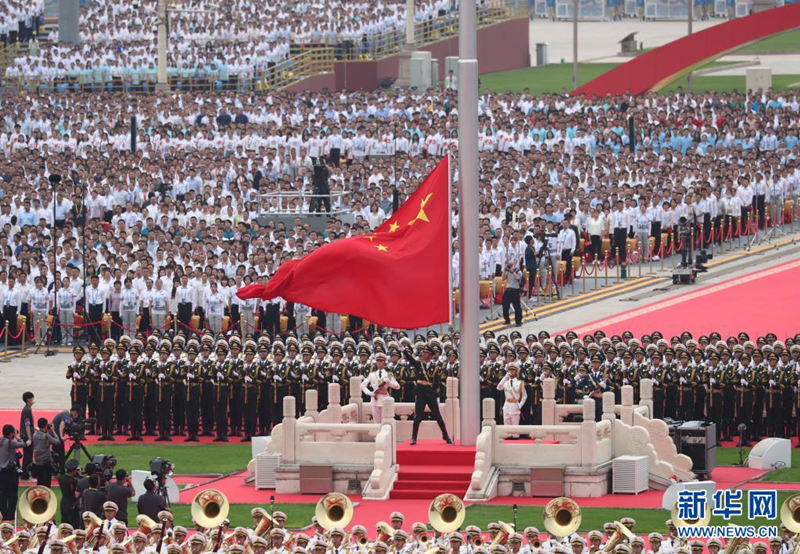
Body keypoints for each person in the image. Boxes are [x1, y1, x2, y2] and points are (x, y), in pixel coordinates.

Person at [403, 344, 453, 446]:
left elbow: (437, 382)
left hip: (430, 393)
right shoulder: (419, 364)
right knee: (418, 417)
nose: (423, 355)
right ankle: (414, 437)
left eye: (426, 353)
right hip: (421, 392)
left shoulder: (435, 367)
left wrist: (436, 394)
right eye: (423, 353)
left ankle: (445, 435)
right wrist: (403, 350)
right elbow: (410, 359)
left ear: (430, 355)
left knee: (438, 416)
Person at [360, 352, 400, 423]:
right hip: (375, 398)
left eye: (381, 361)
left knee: (385, 420)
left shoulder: (389, 374)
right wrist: (369, 393)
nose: (379, 362)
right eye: (378, 361)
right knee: (376, 421)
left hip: (385, 399)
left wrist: (389, 383)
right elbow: (362, 385)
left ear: (384, 362)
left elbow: (397, 386)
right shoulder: (372, 374)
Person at [0, 424, 27, 521]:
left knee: (3, 494)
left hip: (1, 472)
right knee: (12, 494)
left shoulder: (1, 440)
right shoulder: (11, 442)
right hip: (11, 472)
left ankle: (3, 514)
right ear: (11, 433)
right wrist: (17, 437)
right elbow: (24, 444)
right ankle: (10, 516)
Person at [497, 363, 527, 434]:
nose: (511, 371)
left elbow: (524, 396)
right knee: (506, 426)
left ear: (516, 371)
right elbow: (499, 387)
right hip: (507, 404)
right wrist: (505, 377)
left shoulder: (520, 383)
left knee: (515, 428)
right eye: (510, 370)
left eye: (513, 370)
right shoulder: (505, 382)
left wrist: (520, 405)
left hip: (515, 404)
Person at [31, 417, 59, 487]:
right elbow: (57, 442)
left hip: (37, 462)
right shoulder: (46, 436)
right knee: (47, 483)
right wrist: (53, 431)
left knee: (40, 482)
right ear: (46, 426)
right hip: (46, 462)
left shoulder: (34, 435)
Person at [58, 459, 81, 527]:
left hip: (64, 502)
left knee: (64, 524)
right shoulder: (74, 481)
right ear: (74, 470)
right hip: (73, 504)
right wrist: (79, 475)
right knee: (74, 525)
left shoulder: (61, 478)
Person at [501, 260, 523, 327]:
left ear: (514, 264)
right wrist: (504, 270)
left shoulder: (518, 271)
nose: (510, 265)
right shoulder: (507, 271)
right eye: (509, 264)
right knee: (505, 305)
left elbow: (518, 278)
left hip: (515, 290)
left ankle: (518, 321)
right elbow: (503, 278)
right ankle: (507, 320)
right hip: (508, 289)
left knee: (517, 306)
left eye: (511, 264)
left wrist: (512, 271)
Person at [20, 391, 34, 479]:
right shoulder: (27, 410)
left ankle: (26, 473)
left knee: (28, 455)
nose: (33, 400)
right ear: (28, 399)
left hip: (26, 434)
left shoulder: (28, 408)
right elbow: (27, 424)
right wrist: (30, 438)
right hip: (26, 436)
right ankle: (25, 474)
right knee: (28, 455)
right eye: (32, 398)